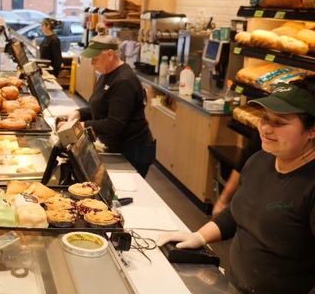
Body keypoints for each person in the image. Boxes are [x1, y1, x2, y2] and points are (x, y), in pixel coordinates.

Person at [157, 79, 315, 294]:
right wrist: (200, 236)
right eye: (265, 118)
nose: (266, 128)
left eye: (280, 122)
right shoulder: (260, 160)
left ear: (312, 130)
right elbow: (239, 211)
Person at [59, 35, 155, 177]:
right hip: (116, 146)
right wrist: (79, 113)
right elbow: (99, 106)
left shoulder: (124, 81)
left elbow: (114, 124)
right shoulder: (105, 74)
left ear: (110, 55)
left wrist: (80, 125)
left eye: (95, 59)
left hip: (132, 151)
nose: (92, 63)